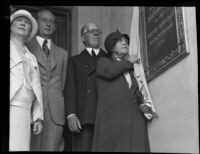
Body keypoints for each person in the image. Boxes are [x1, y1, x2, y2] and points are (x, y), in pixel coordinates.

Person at [92, 30, 152, 152]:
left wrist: (144, 105)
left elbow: (137, 90)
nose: (125, 43)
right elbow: (110, 72)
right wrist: (129, 61)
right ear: (110, 46)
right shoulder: (103, 62)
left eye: (126, 41)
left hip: (135, 120)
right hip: (113, 120)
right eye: (120, 41)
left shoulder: (131, 68)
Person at [26, 9, 69, 151]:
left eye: (52, 21)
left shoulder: (63, 53)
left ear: (56, 27)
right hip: (31, 108)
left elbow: (62, 83)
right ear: (37, 23)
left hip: (55, 111)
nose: (48, 24)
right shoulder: (26, 46)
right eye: (44, 20)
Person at [64, 23, 107, 151]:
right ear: (83, 38)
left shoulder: (109, 58)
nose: (95, 33)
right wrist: (71, 115)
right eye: (91, 31)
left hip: (108, 114)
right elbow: (70, 89)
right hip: (84, 117)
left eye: (97, 31)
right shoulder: (75, 60)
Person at [10, 9, 44, 151]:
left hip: (25, 112)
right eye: (19, 20)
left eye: (27, 22)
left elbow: (36, 88)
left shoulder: (31, 57)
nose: (23, 23)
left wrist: (37, 117)